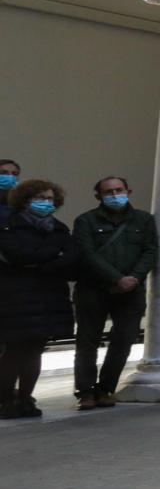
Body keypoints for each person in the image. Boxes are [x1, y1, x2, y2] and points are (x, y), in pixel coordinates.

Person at [70, 176, 157, 409]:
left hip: (131, 291)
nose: (115, 195)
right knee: (88, 341)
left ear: (129, 191)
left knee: (124, 340)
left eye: (119, 190)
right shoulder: (85, 221)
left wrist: (134, 278)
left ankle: (106, 387)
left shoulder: (144, 220)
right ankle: (85, 391)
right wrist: (116, 278)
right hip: (93, 289)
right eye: (108, 192)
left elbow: (150, 251)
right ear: (98, 196)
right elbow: (87, 254)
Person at [0, 179, 83, 418]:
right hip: (16, 298)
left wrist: (41, 262)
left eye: (49, 199)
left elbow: (71, 257)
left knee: (35, 350)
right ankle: (6, 399)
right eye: (39, 198)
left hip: (48, 297)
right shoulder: (8, 225)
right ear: (24, 200)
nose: (46, 203)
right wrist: (52, 256)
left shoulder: (58, 228)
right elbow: (18, 255)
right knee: (15, 351)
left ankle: (26, 398)